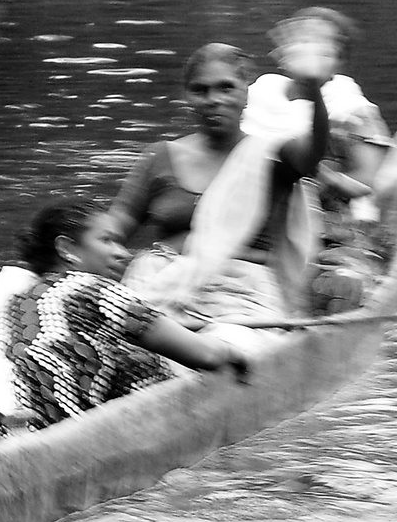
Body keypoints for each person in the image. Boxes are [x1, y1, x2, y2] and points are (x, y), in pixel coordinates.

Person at [108, 40, 331, 328]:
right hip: (158, 287)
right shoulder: (159, 157)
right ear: (186, 97)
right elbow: (113, 229)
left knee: (231, 346)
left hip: (242, 297)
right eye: (200, 90)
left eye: (226, 87)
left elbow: (313, 152)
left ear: (246, 94)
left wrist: (313, 89)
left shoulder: (272, 155)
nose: (213, 99)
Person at [0, 199, 248, 429]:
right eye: (107, 240)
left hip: (41, 429)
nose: (122, 252)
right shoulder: (93, 289)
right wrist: (237, 352)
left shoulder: (14, 304)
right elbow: (206, 355)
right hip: (97, 431)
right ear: (66, 248)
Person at [244, 7, 394, 312]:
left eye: (321, 48)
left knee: (339, 286)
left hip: (330, 232)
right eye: (301, 41)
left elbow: (367, 181)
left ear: (336, 62)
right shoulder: (255, 98)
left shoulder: (351, 111)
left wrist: (320, 175)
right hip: (258, 228)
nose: (307, 51)